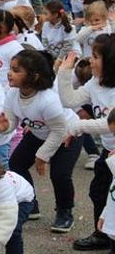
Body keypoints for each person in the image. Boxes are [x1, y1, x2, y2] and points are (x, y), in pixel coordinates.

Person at [0, 50, 81, 232]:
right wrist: (3, 128)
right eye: (11, 68)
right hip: (40, 132)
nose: (10, 73)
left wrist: (42, 156)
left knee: (60, 174)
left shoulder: (48, 99)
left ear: (34, 76)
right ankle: (30, 204)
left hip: (68, 133)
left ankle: (65, 212)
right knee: (16, 163)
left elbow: (59, 130)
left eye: (16, 70)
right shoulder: (12, 93)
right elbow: (11, 123)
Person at [57, 35, 115, 251]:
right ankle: (102, 235)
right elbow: (69, 101)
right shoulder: (95, 82)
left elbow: (110, 124)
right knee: (98, 192)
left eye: (96, 56)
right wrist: (64, 72)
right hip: (108, 152)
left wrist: (78, 127)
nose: (91, 60)